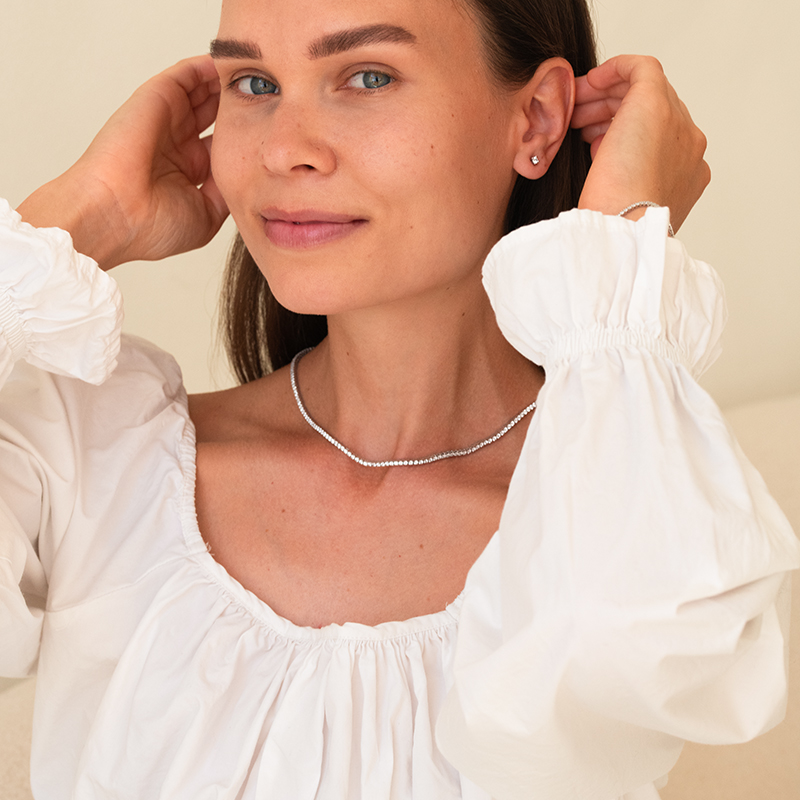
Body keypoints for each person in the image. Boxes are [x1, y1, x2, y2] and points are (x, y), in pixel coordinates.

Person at [1, 0, 798, 798]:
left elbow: (655, 670)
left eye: (369, 77)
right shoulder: (96, 467)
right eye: (254, 83)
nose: (283, 150)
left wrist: (619, 252)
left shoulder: (612, 519)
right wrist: (72, 222)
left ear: (536, 119)